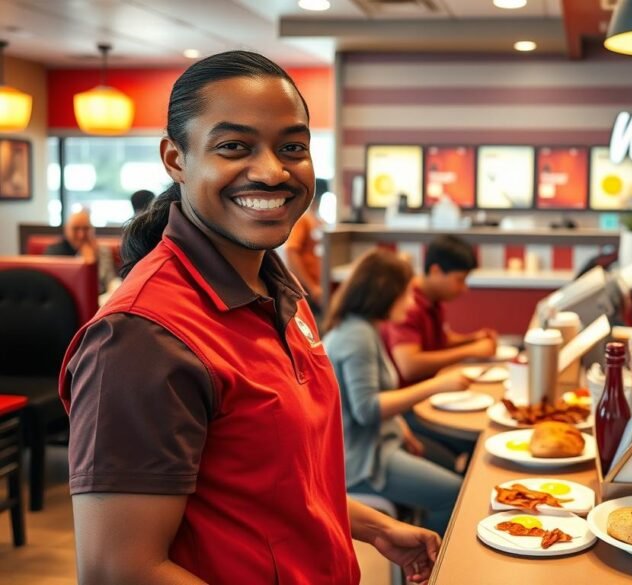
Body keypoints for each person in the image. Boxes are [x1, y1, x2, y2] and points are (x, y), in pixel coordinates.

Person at [58, 51, 438, 584]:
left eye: (293, 147)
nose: (272, 171)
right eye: (234, 146)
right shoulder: (142, 339)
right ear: (175, 158)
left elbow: (274, 480)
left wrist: (373, 527)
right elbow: (118, 571)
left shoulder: (279, 289)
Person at [322, 249, 468, 536]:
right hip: (361, 460)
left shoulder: (362, 328)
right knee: (456, 494)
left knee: (451, 467)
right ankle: (429, 570)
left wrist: (400, 427)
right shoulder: (357, 336)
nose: (412, 302)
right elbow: (366, 409)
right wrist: (436, 386)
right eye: (406, 294)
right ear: (385, 294)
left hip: (377, 443)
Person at [383, 234, 497, 385]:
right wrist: (471, 350)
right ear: (435, 271)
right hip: (409, 398)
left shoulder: (433, 299)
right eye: (459, 280)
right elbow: (409, 366)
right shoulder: (408, 304)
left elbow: (438, 340)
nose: (464, 288)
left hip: (431, 386)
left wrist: (472, 338)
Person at [45, 208, 117, 294]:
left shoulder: (102, 250)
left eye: (86, 228)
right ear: (67, 230)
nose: (81, 235)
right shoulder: (55, 252)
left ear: (92, 230)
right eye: (76, 229)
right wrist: (84, 261)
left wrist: (95, 259)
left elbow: (110, 281)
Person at [284, 177, 327, 313]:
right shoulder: (302, 220)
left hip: (319, 289)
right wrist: (311, 287)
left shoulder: (319, 220)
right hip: (306, 291)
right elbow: (291, 252)